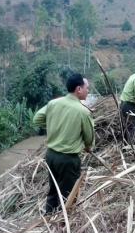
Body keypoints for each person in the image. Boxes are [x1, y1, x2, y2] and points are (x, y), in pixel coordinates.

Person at [33, 73, 95, 214]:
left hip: (51, 156)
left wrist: (53, 125)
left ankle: (49, 219)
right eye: (87, 88)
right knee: (69, 196)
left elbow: (37, 119)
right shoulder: (83, 111)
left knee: (53, 191)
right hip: (68, 160)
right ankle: (65, 226)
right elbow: (89, 137)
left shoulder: (53, 103)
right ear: (78, 89)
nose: (88, 91)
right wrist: (87, 147)